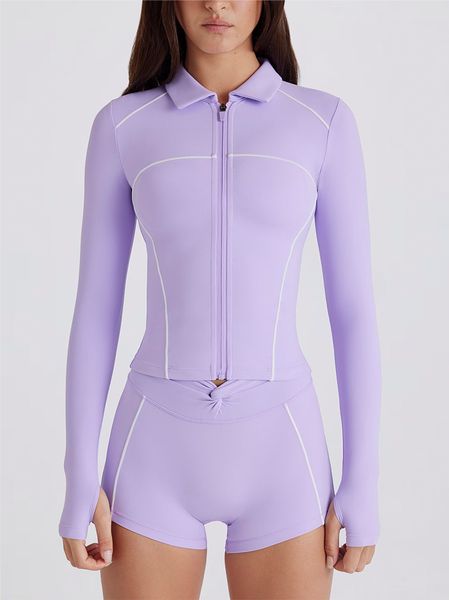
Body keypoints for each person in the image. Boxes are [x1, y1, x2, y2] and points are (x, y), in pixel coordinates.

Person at [58, 1, 382, 598]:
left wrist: (363, 477)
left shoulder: (322, 123)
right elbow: (96, 310)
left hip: (282, 446)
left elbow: (353, 312)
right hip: (153, 447)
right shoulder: (124, 126)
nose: (217, 3)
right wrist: (80, 472)